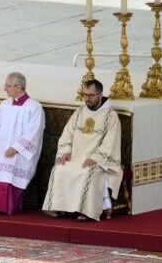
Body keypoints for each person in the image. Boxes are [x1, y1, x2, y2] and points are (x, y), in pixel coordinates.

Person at [43, 79, 122, 221]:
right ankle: (59, 208)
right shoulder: (79, 112)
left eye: (91, 95)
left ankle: (86, 211)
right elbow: (67, 134)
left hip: (97, 160)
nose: (87, 99)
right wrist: (65, 151)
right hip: (75, 156)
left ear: (100, 95)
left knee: (88, 173)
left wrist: (96, 158)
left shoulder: (111, 116)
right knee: (60, 168)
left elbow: (110, 143)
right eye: (85, 95)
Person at [0, 72, 44, 215]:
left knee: (10, 161)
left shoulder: (34, 107)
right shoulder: (4, 104)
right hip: (0, 146)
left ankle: (3, 206)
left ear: (18, 87)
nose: (4, 88)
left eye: (7, 85)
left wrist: (16, 147)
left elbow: (34, 132)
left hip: (19, 150)